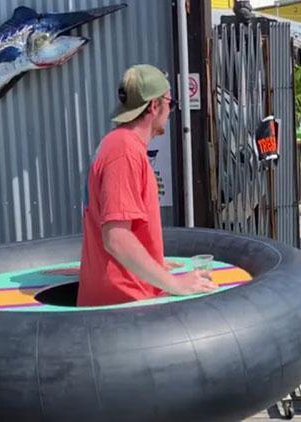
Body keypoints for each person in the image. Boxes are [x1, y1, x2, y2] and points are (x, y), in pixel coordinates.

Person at [77, 64, 217, 306]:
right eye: (170, 104)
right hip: (123, 307)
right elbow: (117, 238)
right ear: (154, 106)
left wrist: (154, 263)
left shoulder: (119, 145)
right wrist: (175, 283)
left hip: (124, 301)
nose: (171, 112)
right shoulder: (124, 151)